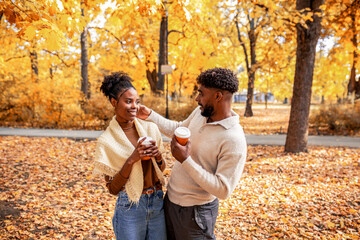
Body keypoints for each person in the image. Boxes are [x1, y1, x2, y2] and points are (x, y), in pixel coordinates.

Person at [137, 67, 247, 239]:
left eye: (201, 93)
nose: (197, 98)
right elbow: (179, 129)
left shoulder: (234, 139)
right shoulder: (201, 113)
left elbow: (223, 190)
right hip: (170, 202)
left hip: (196, 215)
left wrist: (185, 160)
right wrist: (150, 115)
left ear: (218, 96)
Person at [92, 72, 167, 240]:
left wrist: (159, 157)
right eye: (128, 101)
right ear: (114, 102)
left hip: (156, 202)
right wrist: (132, 159)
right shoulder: (107, 141)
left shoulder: (150, 129)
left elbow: (161, 170)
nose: (135, 106)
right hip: (130, 207)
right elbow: (113, 189)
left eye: (137, 101)